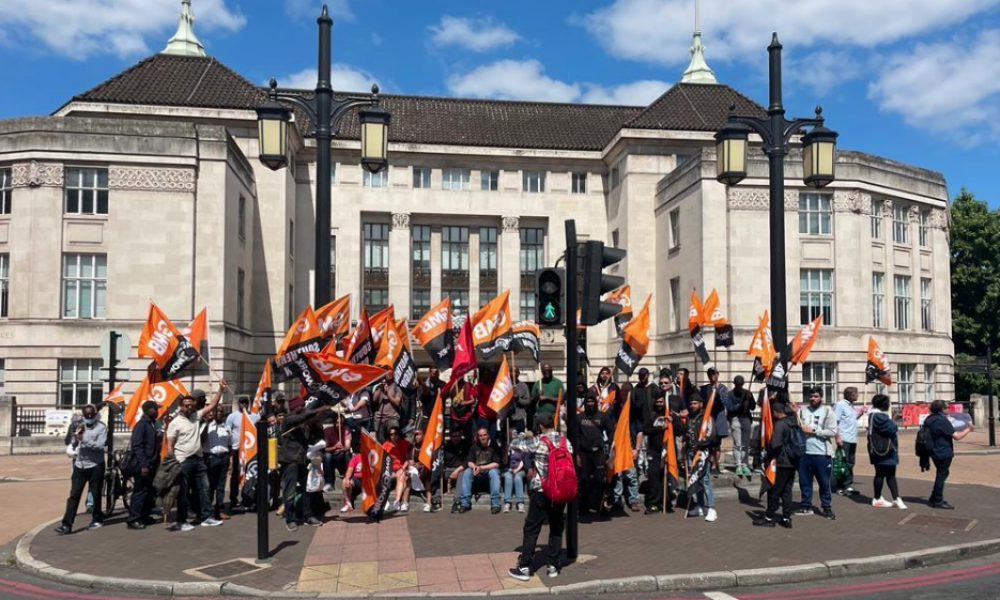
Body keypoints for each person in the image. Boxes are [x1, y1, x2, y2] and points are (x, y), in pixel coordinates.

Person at [508, 412, 572, 581]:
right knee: (557, 527)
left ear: (541, 426)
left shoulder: (538, 441)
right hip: (560, 491)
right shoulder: (566, 442)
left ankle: (524, 567)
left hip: (541, 490)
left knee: (531, 528)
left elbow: (514, 445)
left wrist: (522, 434)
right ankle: (553, 565)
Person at [164, 385, 226, 531]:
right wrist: (173, 459)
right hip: (183, 461)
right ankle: (181, 520)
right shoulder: (175, 423)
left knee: (205, 488)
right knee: (183, 492)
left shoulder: (195, 417)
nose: (189, 407)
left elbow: (212, 406)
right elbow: (170, 444)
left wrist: (221, 390)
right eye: (186, 406)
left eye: (191, 405)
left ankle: (206, 517)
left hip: (198, 460)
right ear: (181, 407)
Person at [55, 404, 108, 535]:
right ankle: (66, 524)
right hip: (80, 465)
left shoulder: (101, 427)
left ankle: (97, 518)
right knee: (74, 495)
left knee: (96, 494)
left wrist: (83, 439)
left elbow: (99, 446)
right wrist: (72, 445)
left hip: (96, 465)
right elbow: (73, 441)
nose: (89, 418)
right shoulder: (79, 425)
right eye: (86, 416)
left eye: (91, 416)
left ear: (95, 415)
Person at [279, 398, 326, 530]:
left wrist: (322, 411)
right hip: (290, 460)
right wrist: (315, 411)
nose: (304, 407)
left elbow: (312, 418)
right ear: (295, 407)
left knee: (307, 489)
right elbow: (300, 419)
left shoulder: (303, 420)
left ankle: (308, 515)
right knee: (290, 490)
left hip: (303, 459)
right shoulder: (289, 419)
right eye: (302, 406)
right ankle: (290, 519)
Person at [753, 401, 798, 528]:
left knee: (774, 491)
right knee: (787, 491)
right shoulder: (793, 422)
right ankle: (786, 517)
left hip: (781, 462)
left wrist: (767, 457)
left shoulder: (780, 425)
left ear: (776, 413)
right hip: (793, 461)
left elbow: (775, 444)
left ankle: (769, 517)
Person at [797, 387, 838, 520]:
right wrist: (800, 428)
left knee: (824, 483)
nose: (813, 399)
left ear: (821, 397)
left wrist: (815, 430)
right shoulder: (802, 412)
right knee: (805, 482)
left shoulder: (828, 412)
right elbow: (797, 428)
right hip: (805, 453)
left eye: (816, 396)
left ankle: (826, 507)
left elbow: (832, 431)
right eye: (811, 396)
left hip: (822, 453)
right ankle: (806, 505)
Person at [924, 399, 973, 510]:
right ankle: (938, 500)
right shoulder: (942, 420)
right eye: (946, 407)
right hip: (944, 451)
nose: (948, 409)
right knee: (942, 475)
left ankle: (934, 497)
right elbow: (957, 436)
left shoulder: (929, 419)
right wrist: (969, 428)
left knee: (941, 474)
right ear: (941, 408)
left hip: (933, 451)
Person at [577, 393, 614, 514]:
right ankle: (583, 506)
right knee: (583, 480)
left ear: (596, 403)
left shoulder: (602, 416)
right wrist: (576, 453)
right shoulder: (579, 417)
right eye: (588, 402)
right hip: (583, 453)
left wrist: (612, 444)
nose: (590, 404)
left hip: (598, 453)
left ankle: (598, 505)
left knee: (599, 480)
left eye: (593, 401)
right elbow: (574, 436)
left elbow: (611, 431)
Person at [126, 400, 161, 530]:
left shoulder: (152, 424)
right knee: (140, 492)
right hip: (143, 465)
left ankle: (144, 515)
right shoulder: (141, 425)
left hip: (152, 463)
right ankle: (133, 519)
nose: (157, 412)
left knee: (149, 492)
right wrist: (144, 465)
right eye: (155, 409)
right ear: (149, 410)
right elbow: (137, 446)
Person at [867, 394, 906, 509]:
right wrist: (893, 420)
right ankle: (885, 498)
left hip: (877, 449)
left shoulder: (873, 415)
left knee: (881, 474)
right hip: (885, 450)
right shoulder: (880, 416)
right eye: (888, 403)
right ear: (883, 404)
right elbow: (892, 429)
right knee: (888, 474)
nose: (889, 405)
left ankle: (885, 498)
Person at [684, 394, 717, 522]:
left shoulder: (707, 417)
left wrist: (701, 444)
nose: (692, 406)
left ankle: (711, 508)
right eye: (691, 403)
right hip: (691, 453)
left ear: (701, 404)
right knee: (695, 479)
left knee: (705, 480)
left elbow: (712, 434)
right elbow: (686, 433)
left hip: (703, 452)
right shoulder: (689, 417)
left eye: (695, 403)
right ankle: (701, 506)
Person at [225, 396, 259, 513]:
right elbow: (228, 432)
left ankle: (248, 499)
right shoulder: (232, 416)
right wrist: (229, 451)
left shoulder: (255, 416)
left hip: (250, 450)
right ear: (238, 404)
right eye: (242, 402)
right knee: (235, 476)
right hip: (236, 450)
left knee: (250, 475)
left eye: (246, 402)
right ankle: (233, 500)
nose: (244, 404)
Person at [458, 427, 503, 513]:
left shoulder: (494, 446)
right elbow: (469, 462)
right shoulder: (474, 447)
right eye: (480, 435)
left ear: (488, 435)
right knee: (467, 472)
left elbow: (497, 463)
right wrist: (474, 467)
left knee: (494, 472)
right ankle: (465, 503)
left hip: (489, 471)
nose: (483, 437)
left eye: (484, 435)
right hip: (477, 472)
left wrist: (482, 468)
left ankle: (495, 504)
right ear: (478, 437)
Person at [204, 406, 233, 521]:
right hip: (211, 458)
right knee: (210, 486)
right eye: (217, 411)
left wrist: (230, 460)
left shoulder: (226, 427)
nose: (219, 413)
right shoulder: (207, 427)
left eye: (221, 411)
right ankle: (209, 510)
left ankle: (220, 509)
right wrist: (207, 422)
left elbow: (230, 445)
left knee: (221, 487)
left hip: (224, 458)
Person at [699, 368, 729, 475]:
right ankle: (707, 464)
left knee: (717, 444)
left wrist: (717, 393)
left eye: (714, 374)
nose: (712, 376)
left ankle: (715, 465)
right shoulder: (704, 388)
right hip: (708, 419)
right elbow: (700, 402)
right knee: (707, 444)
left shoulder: (723, 388)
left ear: (718, 375)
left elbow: (726, 402)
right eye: (710, 374)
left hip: (718, 420)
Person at [642, 394, 668, 514]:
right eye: (657, 402)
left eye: (661, 402)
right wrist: (660, 428)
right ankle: (653, 503)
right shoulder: (651, 415)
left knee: (665, 477)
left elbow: (679, 429)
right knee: (653, 477)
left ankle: (665, 501)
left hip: (667, 450)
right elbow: (646, 430)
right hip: (653, 450)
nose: (659, 404)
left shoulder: (669, 414)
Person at [833, 387, 861, 496]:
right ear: (851, 395)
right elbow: (835, 421)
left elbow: (850, 421)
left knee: (850, 463)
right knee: (842, 463)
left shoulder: (850, 406)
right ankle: (840, 486)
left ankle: (847, 485)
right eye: (857, 393)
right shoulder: (840, 405)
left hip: (852, 438)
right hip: (844, 438)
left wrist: (860, 414)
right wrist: (837, 437)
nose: (858, 395)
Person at [727, 376, 755, 477]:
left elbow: (753, 407)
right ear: (734, 384)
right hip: (735, 419)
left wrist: (750, 400)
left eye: (740, 385)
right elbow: (730, 408)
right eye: (737, 385)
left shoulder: (747, 393)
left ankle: (745, 464)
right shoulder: (730, 394)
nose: (739, 386)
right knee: (738, 444)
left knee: (745, 444)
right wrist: (742, 403)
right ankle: (738, 464)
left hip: (746, 418)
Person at [382, 425, 412, 512]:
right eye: (391, 434)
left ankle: (397, 501)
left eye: (395, 434)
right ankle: (385, 501)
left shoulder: (405, 444)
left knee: (403, 476)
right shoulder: (386, 445)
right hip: (389, 469)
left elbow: (408, 459)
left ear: (399, 434)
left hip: (401, 468)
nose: (393, 436)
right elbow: (383, 460)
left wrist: (402, 469)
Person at [404, 428, 433, 512]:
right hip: (414, 472)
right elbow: (409, 461)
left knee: (427, 479)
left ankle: (428, 503)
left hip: (424, 471)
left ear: (424, 435)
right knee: (407, 478)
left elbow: (429, 461)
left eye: (418, 434)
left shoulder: (427, 447)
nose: (416, 437)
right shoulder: (412, 448)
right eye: (415, 435)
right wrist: (411, 463)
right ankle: (405, 502)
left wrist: (419, 465)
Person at [322, 414, 351, 493]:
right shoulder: (327, 430)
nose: (339, 425)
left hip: (341, 454)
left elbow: (348, 446)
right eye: (337, 423)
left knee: (347, 454)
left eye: (341, 423)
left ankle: (348, 478)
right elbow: (325, 448)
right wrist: (334, 448)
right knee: (327, 456)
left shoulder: (346, 430)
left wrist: (342, 448)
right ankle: (329, 483)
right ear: (333, 422)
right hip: (330, 454)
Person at [442, 429, 470, 513]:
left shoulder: (465, 446)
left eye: (457, 436)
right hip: (448, 469)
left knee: (463, 474)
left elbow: (467, 461)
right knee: (437, 473)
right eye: (454, 436)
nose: (456, 438)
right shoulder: (446, 447)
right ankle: (436, 499)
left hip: (460, 469)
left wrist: (457, 471)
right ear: (450, 437)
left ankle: (457, 501)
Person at [373, 371, 403, 442]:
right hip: (379, 418)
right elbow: (374, 400)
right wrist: (381, 388)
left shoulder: (397, 388)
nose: (388, 374)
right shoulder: (378, 387)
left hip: (392, 418)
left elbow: (397, 403)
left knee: (393, 441)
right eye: (386, 372)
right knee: (380, 442)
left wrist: (387, 394)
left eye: (390, 372)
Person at [503, 435, 528, 513]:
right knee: (508, 477)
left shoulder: (522, 447)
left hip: (520, 469)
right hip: (509, 469)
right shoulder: (508, 448)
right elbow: (504, 462)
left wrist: (517, 470)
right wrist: (506, 452)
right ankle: (507, 502)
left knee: (517, 477)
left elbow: (523, 461)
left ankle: (520, 502)